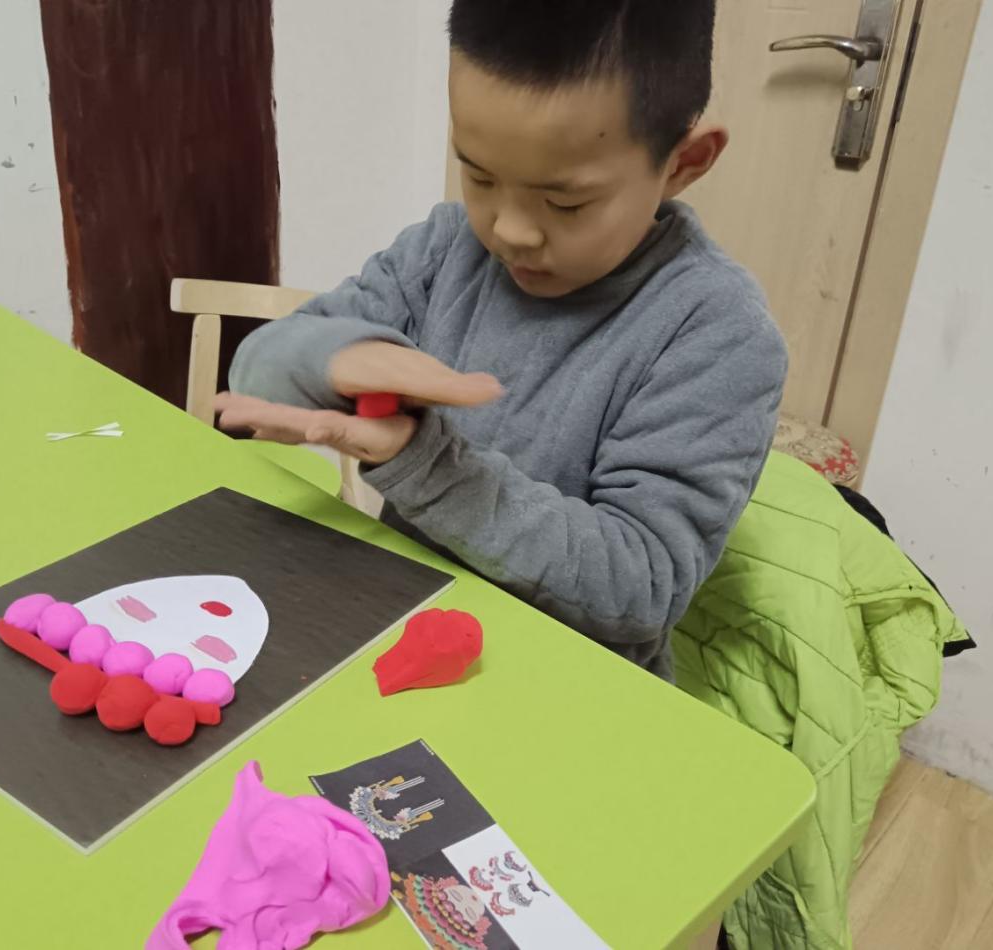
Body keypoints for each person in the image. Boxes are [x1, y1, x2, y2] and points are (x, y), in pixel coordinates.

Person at [215, 0, 786, 681]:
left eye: (565, 202)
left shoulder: (718, 333)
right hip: (402, 626)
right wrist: (335, 359)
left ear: (683, 162)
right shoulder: (444, 249)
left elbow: (642, 587)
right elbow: (257, 371)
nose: (509, 230)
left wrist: (425, 463)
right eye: (480, 175)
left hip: (570, 686)